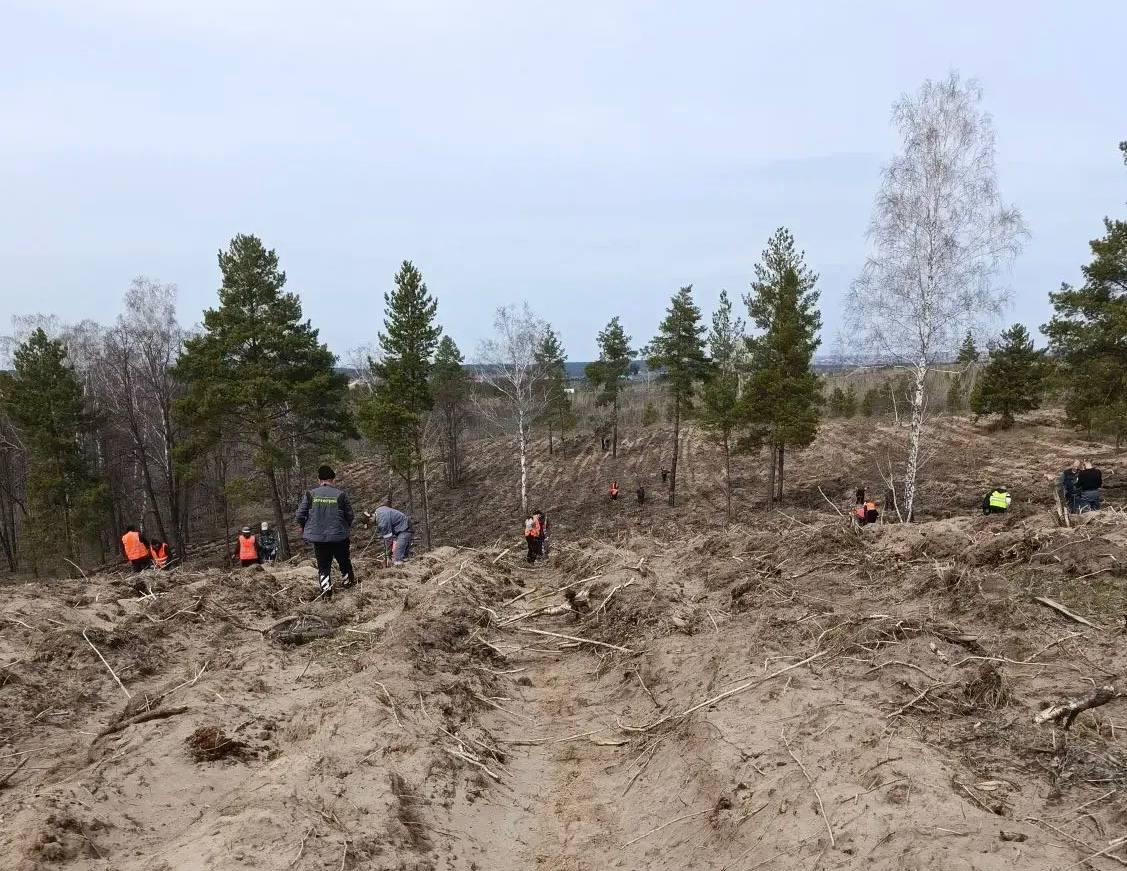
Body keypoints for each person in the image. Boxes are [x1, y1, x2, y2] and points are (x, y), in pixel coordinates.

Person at [295, 465, 355, 598]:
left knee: (323, 567)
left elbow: (299, 515)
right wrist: (345, 527)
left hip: (319, 539)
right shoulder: (341, 495)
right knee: (344, 561)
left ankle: (326, 592)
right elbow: (350, 515)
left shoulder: (310, 494)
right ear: (333, 479)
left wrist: (303, 526)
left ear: (319, 479)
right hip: (339, 536)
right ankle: (349, 585)